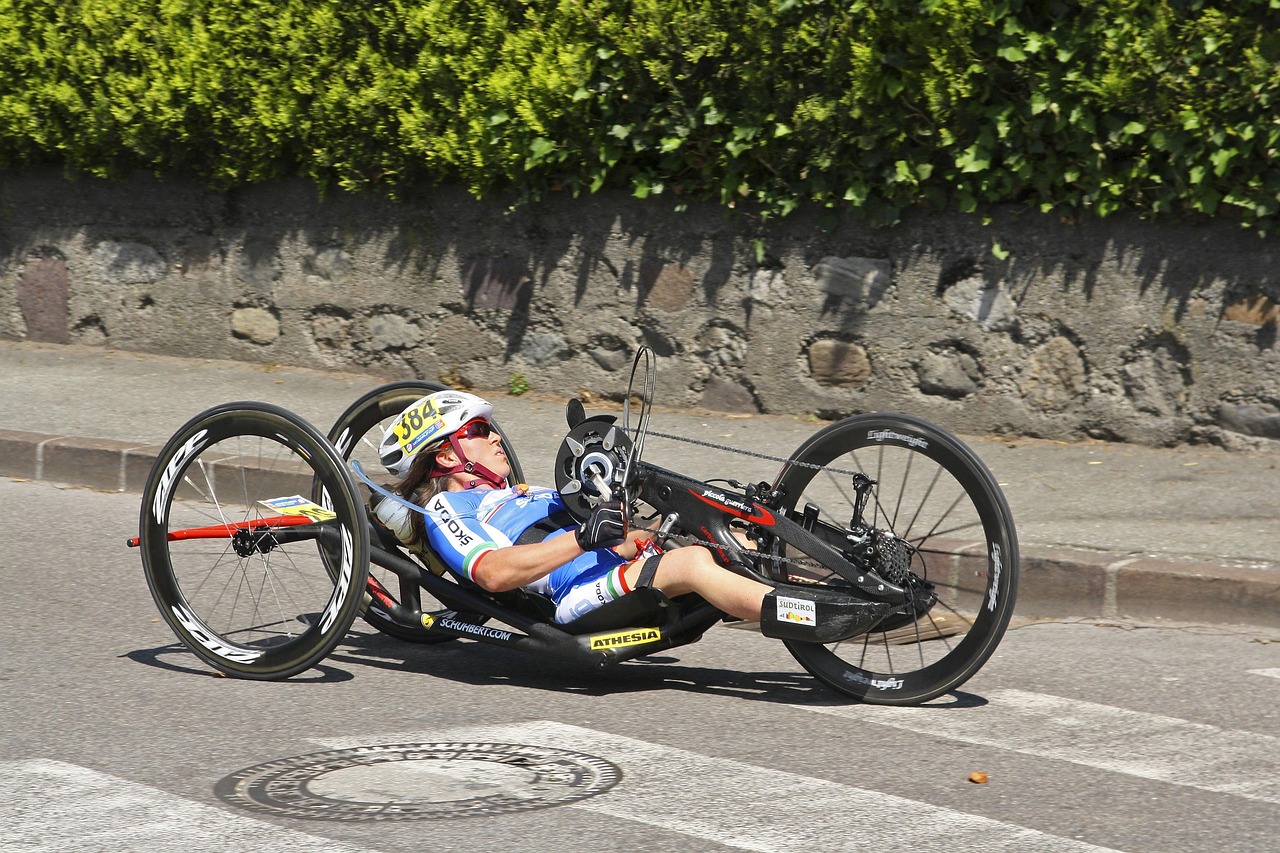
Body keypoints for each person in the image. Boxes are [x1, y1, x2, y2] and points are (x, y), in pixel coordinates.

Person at [374, 390, 772, 625]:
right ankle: (800, 617)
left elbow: (612, 541)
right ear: (445, 458)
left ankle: (823, 595)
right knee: (692, 563)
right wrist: (583, 538)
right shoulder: (450, 505)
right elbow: (493, 573)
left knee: (732, 540)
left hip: (614, 569)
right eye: (478, 430)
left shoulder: (524, 493)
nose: (496, 437)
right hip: (576, 596)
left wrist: (647, 528)